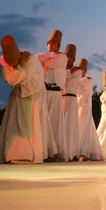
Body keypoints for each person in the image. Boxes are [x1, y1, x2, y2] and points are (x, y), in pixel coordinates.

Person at [0, 35, 56, 164]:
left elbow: (22, 78)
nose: (11, 65)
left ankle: (29, 153)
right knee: (15, 125)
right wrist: (19, 66)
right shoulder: (3, 62)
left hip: (33, 96)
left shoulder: (31, 60)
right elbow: (11, 80)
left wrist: (19, 68)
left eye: (13, 62)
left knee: (30, 125)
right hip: (18, 96)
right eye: (9, 63)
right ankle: (13, 153)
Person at [37, 30, 67, 161]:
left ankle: (54, 151)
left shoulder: (63, 57)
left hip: (56, 92)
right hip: (45, 90)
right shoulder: (44, 55)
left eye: (53, 43)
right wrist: (48, 58)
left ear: (58, 46)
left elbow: (51, 64)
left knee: (55, 121)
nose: (50, 45)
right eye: (49, 43)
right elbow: (37, 59)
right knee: (44, 120)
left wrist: (47, 61)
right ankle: (44, 149)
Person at [76, 58, 103, 161]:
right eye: (79, 69)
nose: (80, 71)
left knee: (84, 127)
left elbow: (81, 89)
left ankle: (83, 151)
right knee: (78, 127)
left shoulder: (88, 80)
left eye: (82, 69)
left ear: (85, 70)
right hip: (77, 105)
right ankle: (78, 150)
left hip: (85, 106)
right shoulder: (76, 79)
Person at [63, 43, 81, 161]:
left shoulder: (77, 71)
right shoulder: (61, 69)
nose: (69, 60)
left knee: (70, 126)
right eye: (67, 57)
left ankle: (70, 152)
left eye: (71, 58)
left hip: (72, 99)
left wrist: (65, 72)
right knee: (61, 126)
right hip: (61, 99)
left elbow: (67, 79)